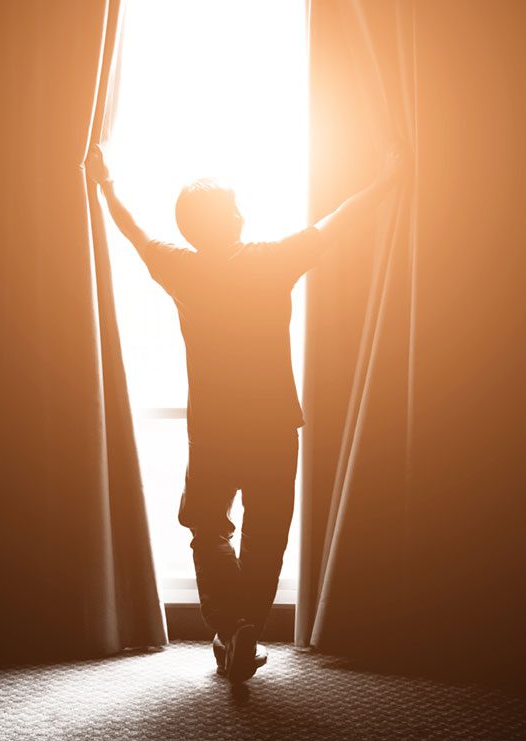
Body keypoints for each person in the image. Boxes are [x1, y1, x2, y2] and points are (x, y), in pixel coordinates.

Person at [86, 145, 404, 682]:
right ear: (232, 218)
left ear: (189, 228)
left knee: (207, 528)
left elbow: (132, 231)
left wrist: (106, 184)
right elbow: (338, 222)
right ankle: (247, 626)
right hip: (274, 424)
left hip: (213, 429)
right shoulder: (271, 260)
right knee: (266, 532)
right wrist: (384, 182)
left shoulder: (179, 266)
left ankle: (231, 627)